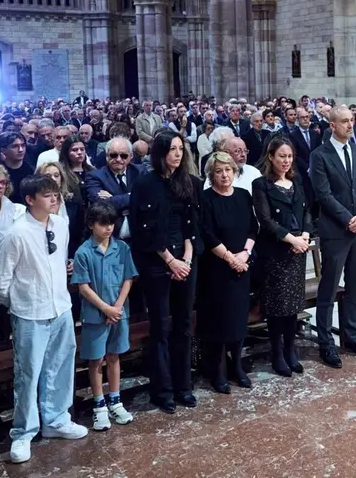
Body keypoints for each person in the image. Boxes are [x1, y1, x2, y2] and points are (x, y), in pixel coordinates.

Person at [0, 174, 88, 464]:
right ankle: (23, 431)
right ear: (30, 200)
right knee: (28, 373)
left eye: (55, 194)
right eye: (47, 195)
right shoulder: (17, 233)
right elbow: (2, 281)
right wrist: (20, 303)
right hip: (29, 312)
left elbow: (60, 263)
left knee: (60, 365)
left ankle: (56, 419)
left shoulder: (60, 224)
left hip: (60, 306)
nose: (54, 199)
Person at [128, 132, 203, 413]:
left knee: (184, 325)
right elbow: (144, 229)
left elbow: (193, 225)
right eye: (172, 149)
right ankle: (163, 390)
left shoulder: (189, 182)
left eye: (180, 149)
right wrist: (171, 261)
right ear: (159, 152)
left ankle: (184, 385)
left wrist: (187, 258)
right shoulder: (145, 184)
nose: (177, 154)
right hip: (158, 262)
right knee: (160, 327)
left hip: (185, 259)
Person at [309, 107, 356, 368]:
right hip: (336, 231)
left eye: (352, 121)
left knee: (355, 287)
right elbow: (323, 195)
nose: (350, 125)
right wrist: (350, 219)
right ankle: (326, 342)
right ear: (332, 126)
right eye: (345, 121)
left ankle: (352, 336)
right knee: (329, 288)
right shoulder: (320, 155)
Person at [72, 200, 137, 431]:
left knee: (114, 356)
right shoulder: (83, 252)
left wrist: (117, 308)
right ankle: (99, 407)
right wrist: (105, 309)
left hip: (119, 313)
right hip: (95, 315)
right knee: (96, 360)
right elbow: (83, 287)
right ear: (91, 225)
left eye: (111, 223)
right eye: (103, 224)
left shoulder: (122, 248)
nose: (108, 228)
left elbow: (128, 279)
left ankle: (115, 401)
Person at [199, 152, 258, 392]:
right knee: (219, 321)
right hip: (216, 269)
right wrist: (230, 258)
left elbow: (253, 228)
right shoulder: (205, 198)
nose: (224, 175)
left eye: (228, 170)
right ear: (211, 174)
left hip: (242, 266)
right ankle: (219, 370)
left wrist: (244, 254)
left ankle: (238, 366)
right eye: (219, 171)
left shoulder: (243, 195)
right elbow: (208, 233)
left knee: (238, 319)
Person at [251, 135, 310, 376]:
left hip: (298, 250)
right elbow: (265, 220)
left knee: (293, 305)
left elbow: (306, 211)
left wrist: (305, 235)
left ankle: (291, 349)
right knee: (277, 307)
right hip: (275, 251)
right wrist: (292, 239)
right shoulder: (261, 184)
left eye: (289, 157)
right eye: (281, 156)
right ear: (271, 157)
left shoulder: (296, 181)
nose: (286, 161)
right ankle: (277, 353)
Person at [84, 137, 141, 235]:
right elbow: (101, 205)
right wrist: (133, 195)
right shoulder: (95, 176)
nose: (118, 159)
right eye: (113, 155)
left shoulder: (140, 171)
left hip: (139, 232)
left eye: (123, 156)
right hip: (109, 235)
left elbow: (149, 197)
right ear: (106, 156)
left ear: (131, 156)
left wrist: (113, 199)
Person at [0, 132, 34, 196]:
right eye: (14, 146)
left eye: (23, 145)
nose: (21, 150)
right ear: (3, 150)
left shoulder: (31, 171)